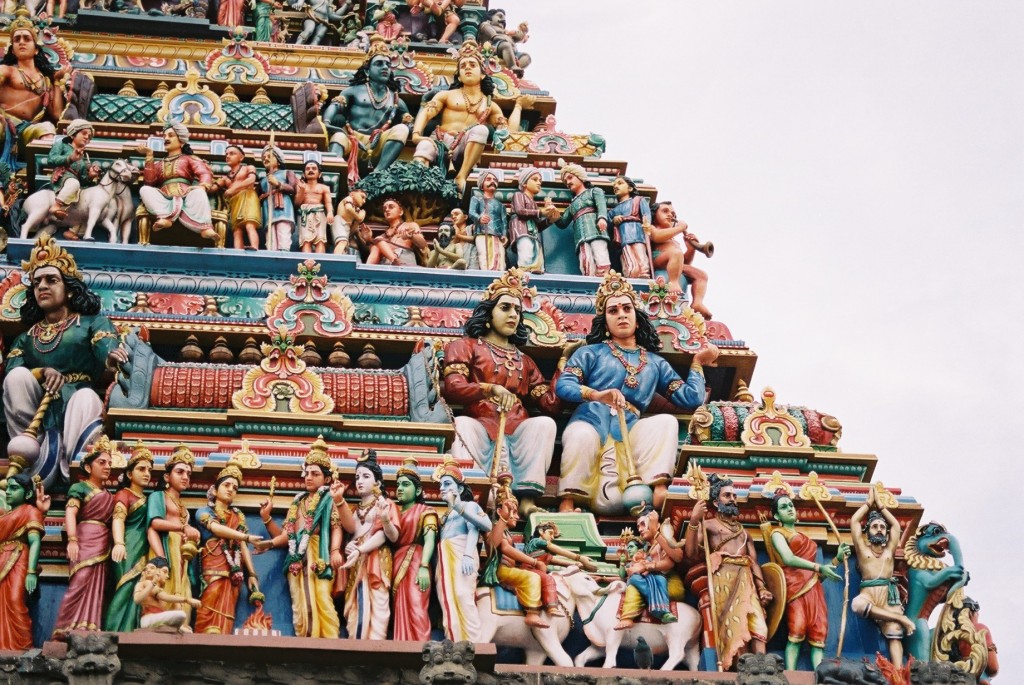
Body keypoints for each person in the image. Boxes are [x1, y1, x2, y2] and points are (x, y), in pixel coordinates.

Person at [556, 271, 717, 514]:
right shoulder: (591, 353)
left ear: (637, 317)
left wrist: (697, 363)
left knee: (665, 422)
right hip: (592, 418)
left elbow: (691, 398)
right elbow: (564, 386)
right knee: (580, 435)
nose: (621, 315)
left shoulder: (654, 363)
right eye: (613, 311)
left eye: (626, 309)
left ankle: (659, 486)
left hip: (630, 426)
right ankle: (568, 502)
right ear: (605, 322)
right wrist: (597, 395)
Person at [4, 234, 128, 487]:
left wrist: (113, 356)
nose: (42, 287)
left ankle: (78, 468)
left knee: (85, 398)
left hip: (77, 398)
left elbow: (106, 347)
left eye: (51, 280)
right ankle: (31, 454)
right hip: (40, 405)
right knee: (16, 377)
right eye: (36, 282)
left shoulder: (91, 323)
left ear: (69, 290)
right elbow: (13, 371)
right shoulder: (26, 338)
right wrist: (42, 372)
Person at [442, 268, 567, 515]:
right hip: (481, 422)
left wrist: (564, 362)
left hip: (517, 427)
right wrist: (489, 389)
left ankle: (527, 500)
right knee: (463, 425)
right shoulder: (465, 347)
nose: (513, 315)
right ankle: (475, 496)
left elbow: (551, 404)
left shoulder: (526, 361)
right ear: (489, 314)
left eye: (518, 310)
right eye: (505, 308)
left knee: (544, 425)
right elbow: (453, 387)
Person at [684, 474, 772, 671]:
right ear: (716, 502)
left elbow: (754, 562)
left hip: (746, 579)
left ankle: (764, 666)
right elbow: (690, 553)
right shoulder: (709, 525)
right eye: (727, 495)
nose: (732, 498)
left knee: (759, 624)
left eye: (734, 495)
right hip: (724, 579)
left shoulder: (744, 532)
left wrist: (762, 587)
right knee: (735, 625)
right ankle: (744, 668)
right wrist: (694, 520)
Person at [412, 40, 525, 191]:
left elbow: (507, 133)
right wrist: (417, 134)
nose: (467, 69)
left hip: (466, 145)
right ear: (458, 76)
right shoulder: (446, 95)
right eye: (463, 66)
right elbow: (427, 112)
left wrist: (518, 106)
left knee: (481, 130)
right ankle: (417, 188)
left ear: (483, 74)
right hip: (440, 141)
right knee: (424, 145)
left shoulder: (489, 104)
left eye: (472, 65)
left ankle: (462, 176)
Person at [258, 437, 342, 638]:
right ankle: (304, 638)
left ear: (327, 479)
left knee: (321, 596)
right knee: (300, 602)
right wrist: (267, 521)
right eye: (306, 473)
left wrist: (335, 550)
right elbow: (286, 535)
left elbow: (336, 527)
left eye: (315, 474)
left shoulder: (329, 499)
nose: (309, 477)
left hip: (319, 554)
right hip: (296, 557)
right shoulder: (297, 502)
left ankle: (330, 640)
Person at [768, 493, 850, 670]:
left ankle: (820, 676)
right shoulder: (778, 533)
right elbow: (788, 558)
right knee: (796, 630)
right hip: (795, 589)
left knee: (818, 635)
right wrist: (819, 567)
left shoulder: (804, 538)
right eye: (784, 507)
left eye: (791, 505)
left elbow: (817, 576)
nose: (789, 508)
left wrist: (836, 559)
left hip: (814, 590)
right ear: (776, 516)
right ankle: (791, 675)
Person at [322, 38, 411, 185]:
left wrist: (424, 107)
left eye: (388, 64)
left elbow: (410, 125)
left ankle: (377, 174)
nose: (385, 67)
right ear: (367, 69)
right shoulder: (353, 91)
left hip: (379, 143)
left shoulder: (396, 100)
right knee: (338, 137)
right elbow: (336, 105)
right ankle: (332, 181)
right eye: (379, 63)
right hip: (352, 139)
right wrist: (327, 122)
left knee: (402, 129)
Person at [51, 436, 115, 639]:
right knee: (79, 582)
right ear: (88, 467)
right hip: (84, 537)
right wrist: (72, 539)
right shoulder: (80, 488)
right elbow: (70, 513)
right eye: (102, 462)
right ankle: (64, 628)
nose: (107, 467)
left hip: (103, 540)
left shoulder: (110, 495)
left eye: (110, 464)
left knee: (98, 585)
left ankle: (89, 626)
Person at [334, 450, 398, 640]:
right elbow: (351, 529)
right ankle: (358, 643)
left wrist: (385, 520)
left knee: (378, 603)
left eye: (365, 476)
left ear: (377, 482)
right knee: (355, 607)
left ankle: (375, 646)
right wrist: (338, 499)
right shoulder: (355, 510)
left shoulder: (385, 504)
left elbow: (390, 536)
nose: (359, 481)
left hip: (376, 562)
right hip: (355, 565)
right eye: (357, 477)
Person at [850, 485, 916, 667]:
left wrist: (881, 506)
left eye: (881, 527)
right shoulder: (863, 550)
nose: (879, 529)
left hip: (887, 595)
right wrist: (868, 504)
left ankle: (899, 672)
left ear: (886, 534)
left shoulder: (889, 552)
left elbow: (895, 526)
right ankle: (900, 618)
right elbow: (854, 522)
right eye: (874, 526)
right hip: (869, 593)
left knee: (894, 633)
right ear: (867, 532)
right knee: (857, 604)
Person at [194, 460, 262, 634]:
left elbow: (243, 545)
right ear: (215, 490)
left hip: (234, 570)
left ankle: (223, 636)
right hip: (213, 563)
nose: (231, 489)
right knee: (211, 595)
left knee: (228, 604)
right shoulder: (204, 512)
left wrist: (252, 574)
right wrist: (245, 536)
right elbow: (216, 528)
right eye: (227, 485)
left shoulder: (237, 516)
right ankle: (203, 635)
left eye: (235, 487)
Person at [481, 477, 554, 628]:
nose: (517, 516)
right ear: (501, 510)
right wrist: (533, 562)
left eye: (515, 511)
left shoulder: (507, 533)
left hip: (510, 569)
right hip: (500, 571)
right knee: (532, 578)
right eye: (513, 512)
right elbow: (500, 547)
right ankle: (532, 614)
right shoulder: (493, 528)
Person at [433, 457, 491, 642]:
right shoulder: (445, 516)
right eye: (441, 484)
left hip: (462, 556)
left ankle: (473, 642)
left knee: (462, 595)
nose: (442, 488)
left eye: (447, 484)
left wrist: (467, 554)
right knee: (447, 599)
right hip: (445, 562)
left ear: (459, 488)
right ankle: (453, 639)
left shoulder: (469, 505)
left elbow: (485, 525)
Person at [0, 10, 66, 171]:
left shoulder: (46, 81)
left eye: (26, 38)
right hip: (3, 125)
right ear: (12, 49)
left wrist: (56, 81)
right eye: (16, 39)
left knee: (48, 129)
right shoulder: (7, 71)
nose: (21, 42)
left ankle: (47, 174)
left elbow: (57, 115)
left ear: (36, 49)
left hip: (28, 130)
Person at [147, 444, 201, 629]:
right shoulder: (158, 496)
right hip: (165, 546)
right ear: (167, 476)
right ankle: (163, 620)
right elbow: (154, 523)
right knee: (166, 582)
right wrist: (183, 528)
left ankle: (181, 622)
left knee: (182, 583)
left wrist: (190, 538)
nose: (185, 477)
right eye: (180, 472)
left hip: (181, 551)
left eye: (188, 473)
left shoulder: (183, 507)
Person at [137, 123, 219, 243]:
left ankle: (205, 227)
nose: (166, 139)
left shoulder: (189, 158)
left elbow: (204, 173)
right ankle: (165, 218)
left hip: (186, 195)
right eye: (164, 136)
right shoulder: (159, 164)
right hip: (165, 197)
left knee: (198, 192)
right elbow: (149, 182)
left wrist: (203, 185)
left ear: (181, 140)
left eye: (171, 135)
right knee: (144, 190)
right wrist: (149, 156)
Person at [104, 441, 154, 633]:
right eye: (141, 469)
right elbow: (118, 519)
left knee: (137, 589)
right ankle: (112, 630)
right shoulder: (124, 494)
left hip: (142, 548)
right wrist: (118, 543)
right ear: (129, 474)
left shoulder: (149, 499)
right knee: (124, 587)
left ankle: (129, 628)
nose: (147, 473)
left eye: (149, 469)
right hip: (126, 547)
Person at [390, 458, 439, 641]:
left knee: (417, 604)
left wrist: (424, 566)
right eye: (398, 485)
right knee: (399, 609)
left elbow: (430, 540)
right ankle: (401, 644)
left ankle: (420, 647)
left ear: (418, 490)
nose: (400, 489)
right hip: (397, 562)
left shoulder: (425, 510)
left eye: (405, 484)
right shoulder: (393, 511)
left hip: (417, 561)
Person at [615, 503, 682, 630]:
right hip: (648, 578)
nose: (639, 529)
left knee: (654, 581)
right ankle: (649, 602)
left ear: (655, 523)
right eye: (638, 526)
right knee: (633, 580)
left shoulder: (665, 538)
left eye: (642, 524)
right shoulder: (646, 548)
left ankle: (659, 608)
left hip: (664, 578)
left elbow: (676, 558)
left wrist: (648, 566)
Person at [0, 473, 44, 651]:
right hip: (2, 558)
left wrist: (31, 572)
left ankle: (21, 648)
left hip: (19, 558)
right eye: (8, 488)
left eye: (14, 488)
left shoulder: (30, 511)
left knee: (15, 600)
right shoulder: (4, 516)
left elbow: (35, 542)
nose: (8, 492)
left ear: (27, 494)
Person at [543, 162, 611, 277]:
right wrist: (552, 212)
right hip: (581, 236)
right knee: (585, 261)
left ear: (580, 176)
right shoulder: (572, 204)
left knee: (600, 255)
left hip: (596, 231)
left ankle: (604, 279)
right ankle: (590, 280)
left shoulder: (594, 191)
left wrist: (602, 218)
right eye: (566, 181)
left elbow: (601, 206)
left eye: (570, 177)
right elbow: (563, 223)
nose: (568, 182)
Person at [648, 201, 712, 318]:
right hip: (659, 258)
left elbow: (683, 262)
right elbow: (657, 236)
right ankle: (673, 283)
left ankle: (697, 303)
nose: (670, 215)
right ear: (654, 215)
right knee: (676, 253)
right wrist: (680, 228)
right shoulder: (653, 228)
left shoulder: (673, 240)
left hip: (673, 261)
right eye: (665, 211)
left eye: (673, 214)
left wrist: (690, 249)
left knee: (701, 275)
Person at [46, 119, 100, 232]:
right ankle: (56, 205)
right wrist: (70, 158)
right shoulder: (62, 145)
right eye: (84, 133)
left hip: (77, 183)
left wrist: (90, 175)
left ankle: (74, 229)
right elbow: (51, 159)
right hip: (63, 176)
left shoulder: (84, 156)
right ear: (72, 134)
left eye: (89, 136)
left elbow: (83, 179)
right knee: (74, 183)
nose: (87, 137)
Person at [133, 557, 202, 632]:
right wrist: (186, 600)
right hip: (148, 619)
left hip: (156, 619)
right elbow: (163, 597)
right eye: (165, 572)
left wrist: (177, 605)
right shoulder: (147, 583)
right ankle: (173, 628)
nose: (167, 576)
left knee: (188, 630)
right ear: (157, 571)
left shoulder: (156, 588)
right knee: (181, 615)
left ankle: (169, 628)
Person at [607, 176, 652, 279]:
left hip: (638, 233)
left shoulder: (638, 200)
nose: (616, 186)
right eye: (614, 185)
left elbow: (646, 215)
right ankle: (630, 275)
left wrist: (647, 225)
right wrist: (614, 220)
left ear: (630, 188)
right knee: (628, 259)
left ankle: (644, 275)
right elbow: (608, 224)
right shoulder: (613, 211)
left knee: (641, 257)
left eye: (620, 183)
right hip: (623, 237)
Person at [218, 145, 261, 251]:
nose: (228, 156)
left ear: (241, 157)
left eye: (232, 153)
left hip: (248, 197)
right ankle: (238, 251)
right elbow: (213, 187)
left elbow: (251, 180)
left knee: (249, 224)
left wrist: (233, 189)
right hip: (234, 201)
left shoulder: (248, 168)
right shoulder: (225, 178)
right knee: (236, 229)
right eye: (226, 154)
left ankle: (254, 247)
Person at [508, 166, 548, 273]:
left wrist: (550, 220)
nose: (539, 183)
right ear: (524, 183)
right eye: (535, 180)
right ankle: (524, 272)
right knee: (526, 251)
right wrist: (541, 212)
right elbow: (520, 211)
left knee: (535, 252)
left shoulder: (534, 204)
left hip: (533, 233)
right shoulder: (519, 195)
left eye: (540, 180)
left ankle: (534, 271)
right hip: (521, 230)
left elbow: (538, 225)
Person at [367, 196, 427, 266]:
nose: (387, 210)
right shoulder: (383, 236)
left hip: (404, 259)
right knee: (375, 245)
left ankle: (394, 260)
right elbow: (372, 251)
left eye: (391, 207)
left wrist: (412, 236)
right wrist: (368, 239)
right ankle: (366, 271)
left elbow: (423, 245)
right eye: (384, 209)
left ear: (401, 212)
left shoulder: (410, 225)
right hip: (387, 264)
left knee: (378, 240)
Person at [259, 141, 297, 252]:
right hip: (268, 210)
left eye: (269, 156)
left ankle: (284, 253)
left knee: (283, 233)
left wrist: (278, 184)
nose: (265, 159)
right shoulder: (263, 181)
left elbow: (292, 188)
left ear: (278, 160)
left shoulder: (286, 173)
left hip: (283, 209)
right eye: (264, 158)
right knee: (270, 239)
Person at [468, 171, 507, 271]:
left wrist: (504, 234)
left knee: (499, 254)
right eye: (488, 179)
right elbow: (471, 212)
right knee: (484, 253)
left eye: (494, 180)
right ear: (482, 184)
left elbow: (504, 221)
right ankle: (486, 273)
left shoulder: (501, 205)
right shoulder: (477, 199)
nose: (492, 182)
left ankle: (499, 274)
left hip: (497, 235)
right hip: (482, 232)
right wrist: (479, 217)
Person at [523, 521, 596, 571]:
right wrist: (579, 558)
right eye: (550, 533)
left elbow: (553, 560)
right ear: (541, 531)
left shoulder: (540, 552)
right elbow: (556, 550)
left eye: (553, 535)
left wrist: (576, 564)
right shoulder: (536, 541)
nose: (552, 537)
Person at [294, 160, 334, 254]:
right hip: (305, 214)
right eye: (307, 169)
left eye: (314, 168)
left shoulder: (324, 188)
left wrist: (330, 212)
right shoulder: (300, 186)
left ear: (320, 174)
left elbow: (328, 202)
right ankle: (306, 260)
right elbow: (297, 203)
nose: (310, 170)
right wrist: (302, 190)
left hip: (319, 213)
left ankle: (320, 260)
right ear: (303, 174)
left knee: (320, 239)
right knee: (305, 239)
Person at [477, 9, 531, 75]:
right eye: (500, 16)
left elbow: (516, 37)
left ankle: (516, 68)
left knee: (526, 57)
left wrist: (522, 33)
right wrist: (494, 36)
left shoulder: (505, 31)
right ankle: (512, 66)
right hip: (495, 47)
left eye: (504, 19)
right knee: (506, 45)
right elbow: (486, 29)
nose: (503, 20)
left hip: (513, 52)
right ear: (490, 18)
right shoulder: (487, 24)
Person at [332, 188, 366, 255]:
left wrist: (357, 222)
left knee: (344, 245)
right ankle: (336, 259)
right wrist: (359, 217)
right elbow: (348, 208)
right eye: (362, 197)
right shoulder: (349, 199)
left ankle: (340, 260)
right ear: (352, 194)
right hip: (340, 221)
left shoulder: (355, 209)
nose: (364, 201)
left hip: (346, 227)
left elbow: (352, 231)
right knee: (342, 242)